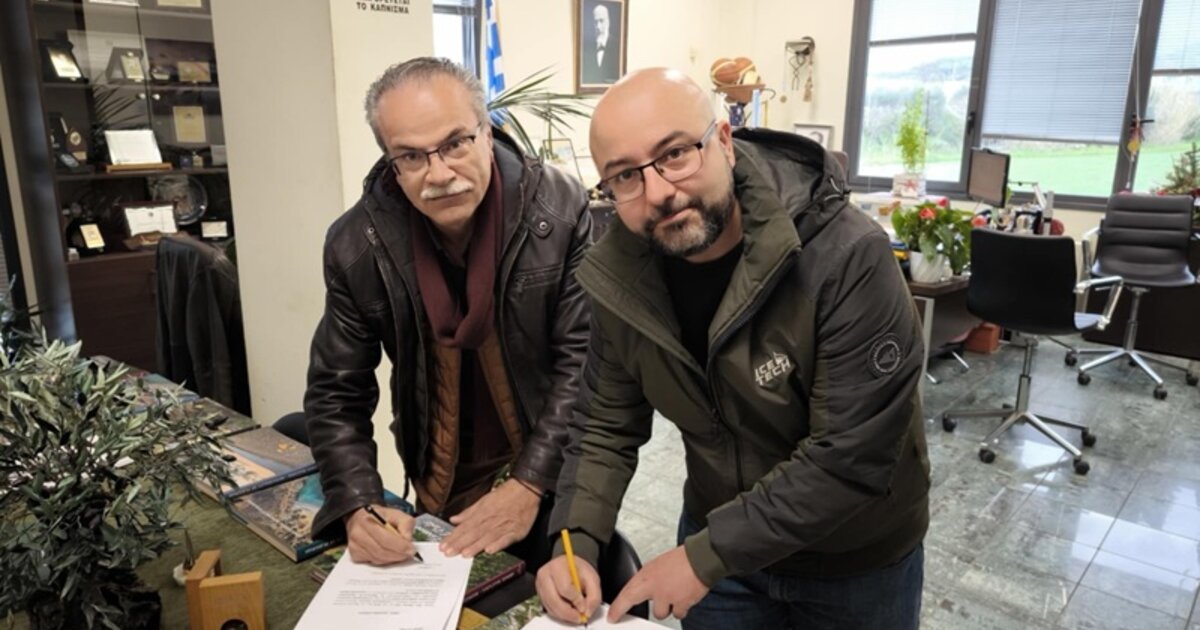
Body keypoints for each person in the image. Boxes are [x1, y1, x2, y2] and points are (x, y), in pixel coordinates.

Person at [536, 68, 930, 629]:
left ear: (724, 141)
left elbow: (849, 455)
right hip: (721, 552)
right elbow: (604, 424)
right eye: (624, 176)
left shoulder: (846, 256)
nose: (659, 192)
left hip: (855, 560)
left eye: (676, 154)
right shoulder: (621, 277)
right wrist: (576, 541)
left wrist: (704, 557)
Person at [304, 57, 591, 567]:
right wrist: (358, 502)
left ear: (487, 133)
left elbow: (585, 364)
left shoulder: (560, 209)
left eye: (456, 143)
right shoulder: (355, 246)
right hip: (441, 474)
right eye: (412, 157)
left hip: (554, 465)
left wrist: (530, 482)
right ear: (391, 164)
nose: (439, 174)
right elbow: (336, 391)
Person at [581, 1, 620, 85]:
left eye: (601, 21)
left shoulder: (618, 46)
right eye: (595, 22)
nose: (598, 27)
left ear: (608, 22)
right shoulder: (586, 49)